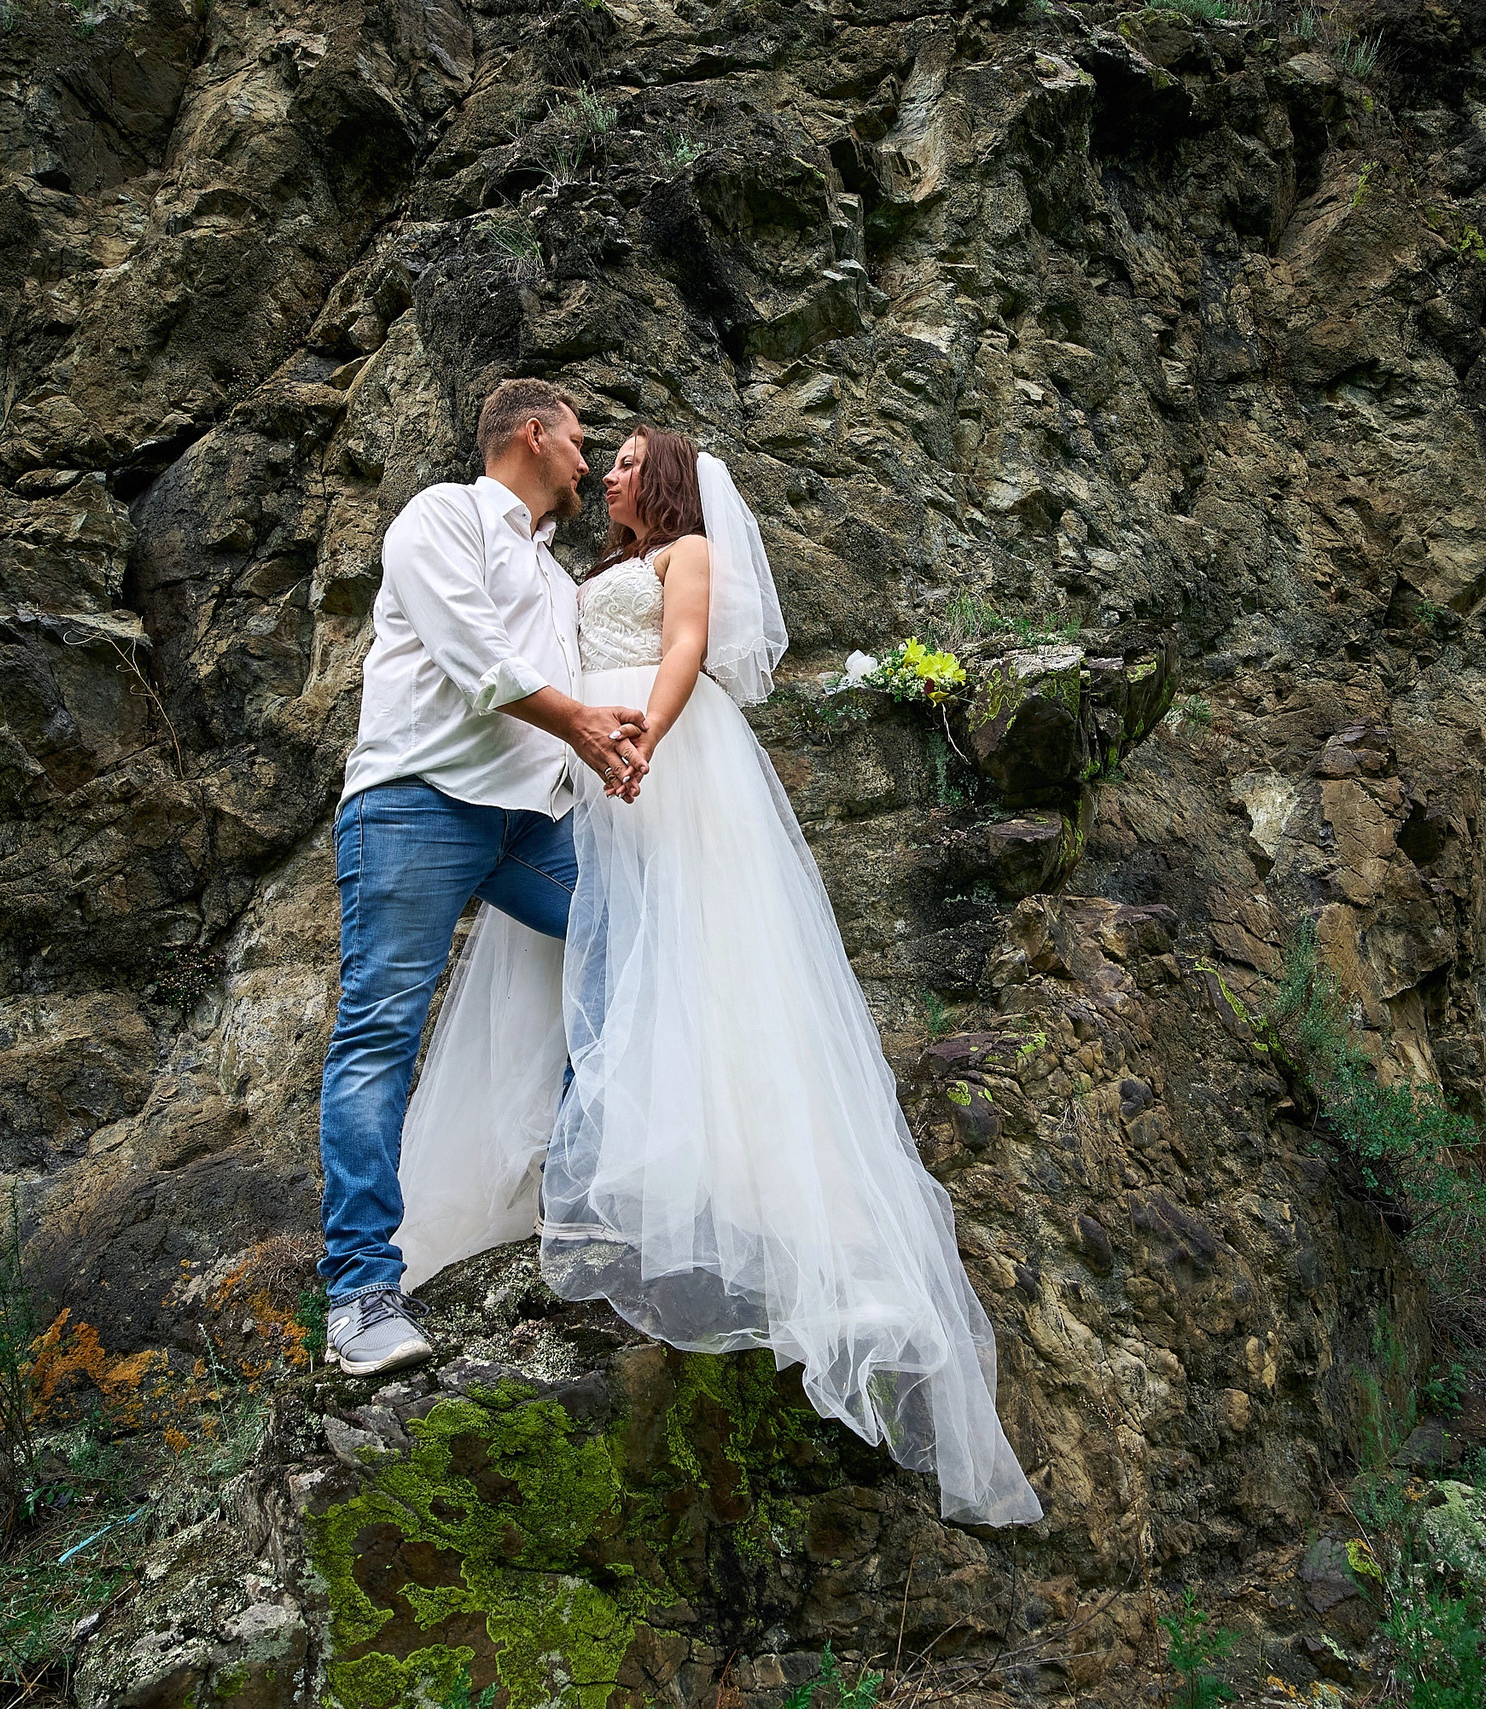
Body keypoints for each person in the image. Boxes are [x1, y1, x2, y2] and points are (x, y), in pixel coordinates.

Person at [402, 425, 1042, 1526]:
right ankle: (563, 1160)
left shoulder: (679, 556)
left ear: (666, 481)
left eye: (626, 460)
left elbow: (686, 650)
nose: (606, 470)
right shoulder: (592, 570)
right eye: (598, 457)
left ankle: (724, 1186)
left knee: (684, 956)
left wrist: (637, 738)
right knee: (578, 963)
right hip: (579, 773)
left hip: (660, 762)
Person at [315, 380, 646, 1378]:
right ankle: (360, 1291)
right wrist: (583, 728)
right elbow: (473, 657)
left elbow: (578, 689)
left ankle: (574, 1191)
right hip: (413, 803)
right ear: (533, 436)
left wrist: (618, 745)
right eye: (580, 444)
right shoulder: (441, 515)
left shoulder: (553, 578)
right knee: (380, 1028)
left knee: (634, 931)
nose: (588, 464)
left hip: (521, 823)